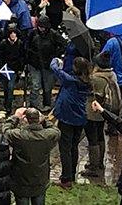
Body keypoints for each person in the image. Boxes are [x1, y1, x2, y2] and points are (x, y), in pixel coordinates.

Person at [3, 107, 60, 205]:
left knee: (22, 200)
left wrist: (15, 117)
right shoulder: (48, 136)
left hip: (21, 178)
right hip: (40, 178)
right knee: (39, 199)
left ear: (25, 119)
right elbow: (56, 131)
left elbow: (5, 131)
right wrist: (44, 119)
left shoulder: (19, 136)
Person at [50, 56, 91, 188]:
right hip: (80, 118)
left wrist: (56, 60)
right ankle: (71, 174)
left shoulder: (71, 81)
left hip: (67, 117)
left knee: (65, 149)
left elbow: (54, 69)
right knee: (74, 147)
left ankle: (66, 179)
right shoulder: (87, 82)